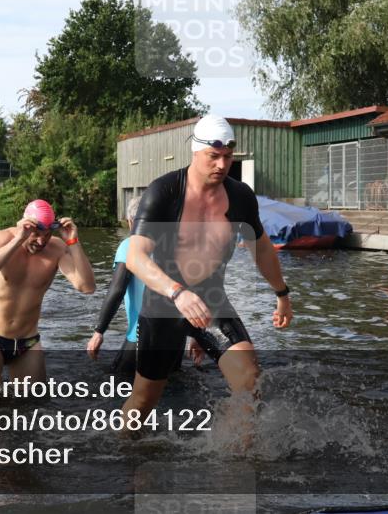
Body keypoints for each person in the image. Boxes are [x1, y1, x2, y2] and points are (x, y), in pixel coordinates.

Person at [120, 115, 294, 424]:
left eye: (227, 157)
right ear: (195, 152)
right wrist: (177, 292)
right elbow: (135, 256)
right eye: (213, 156)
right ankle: (123, 449)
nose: (221, 164)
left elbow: (262, 247)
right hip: (164, 304)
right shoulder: (164, 192)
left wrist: (282, 293)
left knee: (249, 380)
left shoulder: (240, 196)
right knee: (144, 400)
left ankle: (234, 460)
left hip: (211, 300)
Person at [0, 199, 95, 387]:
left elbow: (87, 287)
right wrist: (18, 240)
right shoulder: (1, 238)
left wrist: (73, 242)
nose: (41, 241)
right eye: (36, 234)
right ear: (25, 227)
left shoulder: (56, 248)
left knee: (32, 401)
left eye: (46, 235)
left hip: (27, 342)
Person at [87, 196, 195, 376]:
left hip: (143, 337)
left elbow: (117, 290)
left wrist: (99, 331)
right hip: (177, 341)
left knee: (120, 388)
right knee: (170, 388)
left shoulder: (129, 246)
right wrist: (196, 334)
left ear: (132, 222)